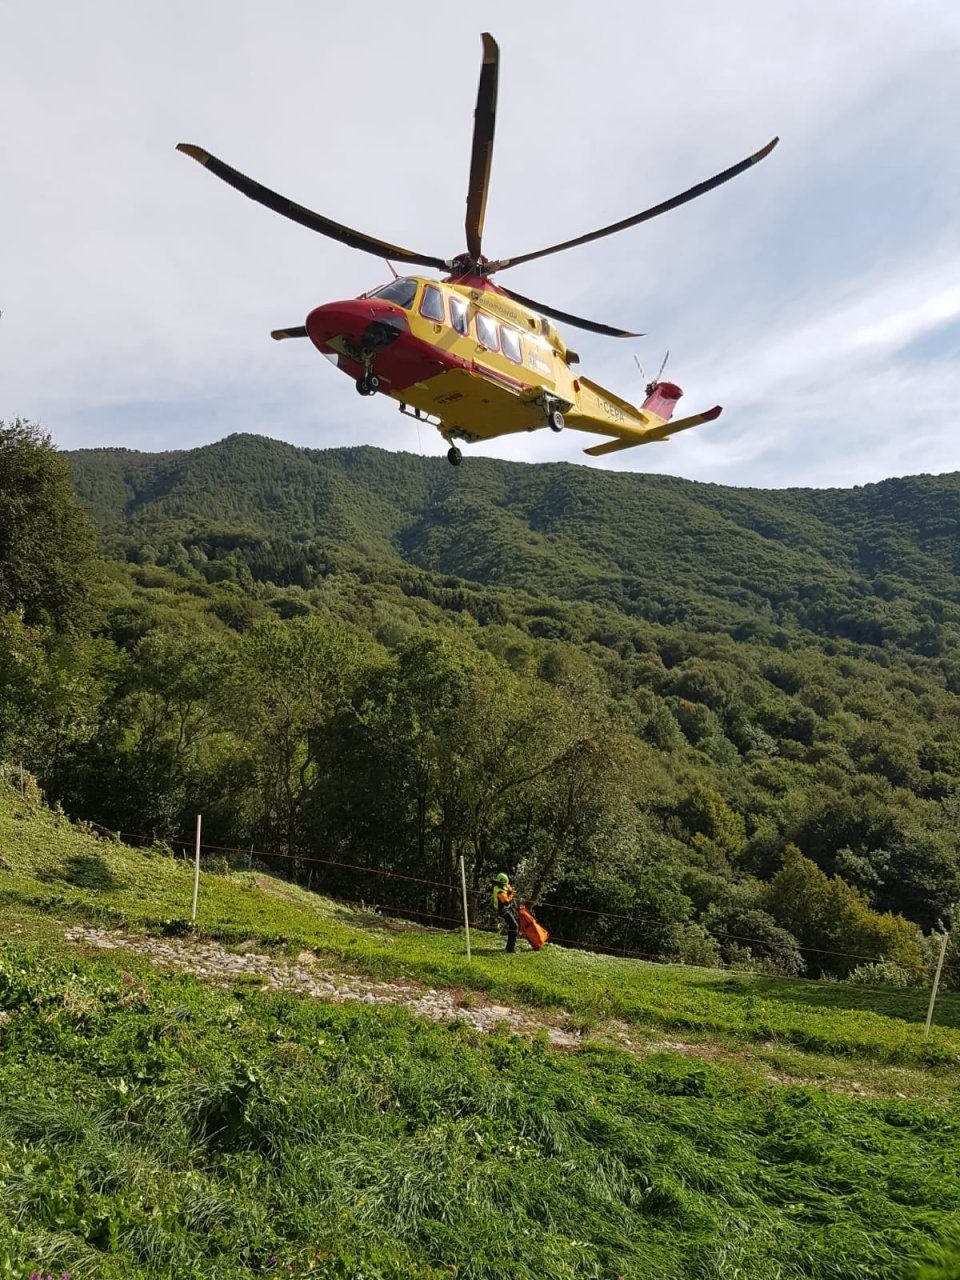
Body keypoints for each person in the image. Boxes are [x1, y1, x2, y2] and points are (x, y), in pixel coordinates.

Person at [492, 872, 519, 954]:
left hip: (505, 910)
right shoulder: (499, 891)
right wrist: (511, 894)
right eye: (504, 884)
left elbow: (506, 888)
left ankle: (510, 947)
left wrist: (509, 889)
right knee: (514, 926)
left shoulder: (499, 886)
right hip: (503, 911)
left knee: (512, 926)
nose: (505, 886)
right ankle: (510, 948)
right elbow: (506, 902)